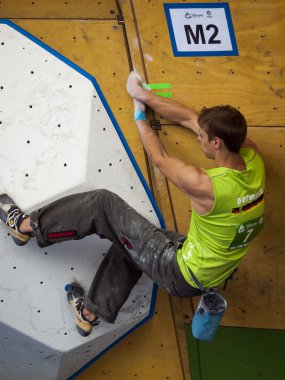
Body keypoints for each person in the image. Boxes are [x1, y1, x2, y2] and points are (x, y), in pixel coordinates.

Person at [0, 71, 265, 337]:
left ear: (217, 142)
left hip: (179, 271)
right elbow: (191, 118)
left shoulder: (206, 185)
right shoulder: (253, 162)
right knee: (130, 238)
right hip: (208, 274)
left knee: (103, 204)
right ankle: (89, 314)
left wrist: (140, 116)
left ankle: (25, 226)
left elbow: (159, 158)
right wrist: (143, 94)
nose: (198, 137)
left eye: (203, 137)